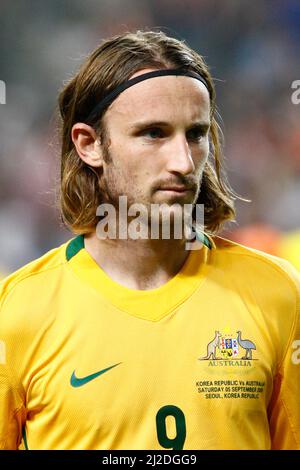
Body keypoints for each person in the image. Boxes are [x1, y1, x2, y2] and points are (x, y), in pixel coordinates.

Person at [0, 30, 299, 451]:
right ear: (89, 145)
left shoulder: (278, 295)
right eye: (153, 134)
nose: (182, 162)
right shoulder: (16, 313)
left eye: (195, 135)